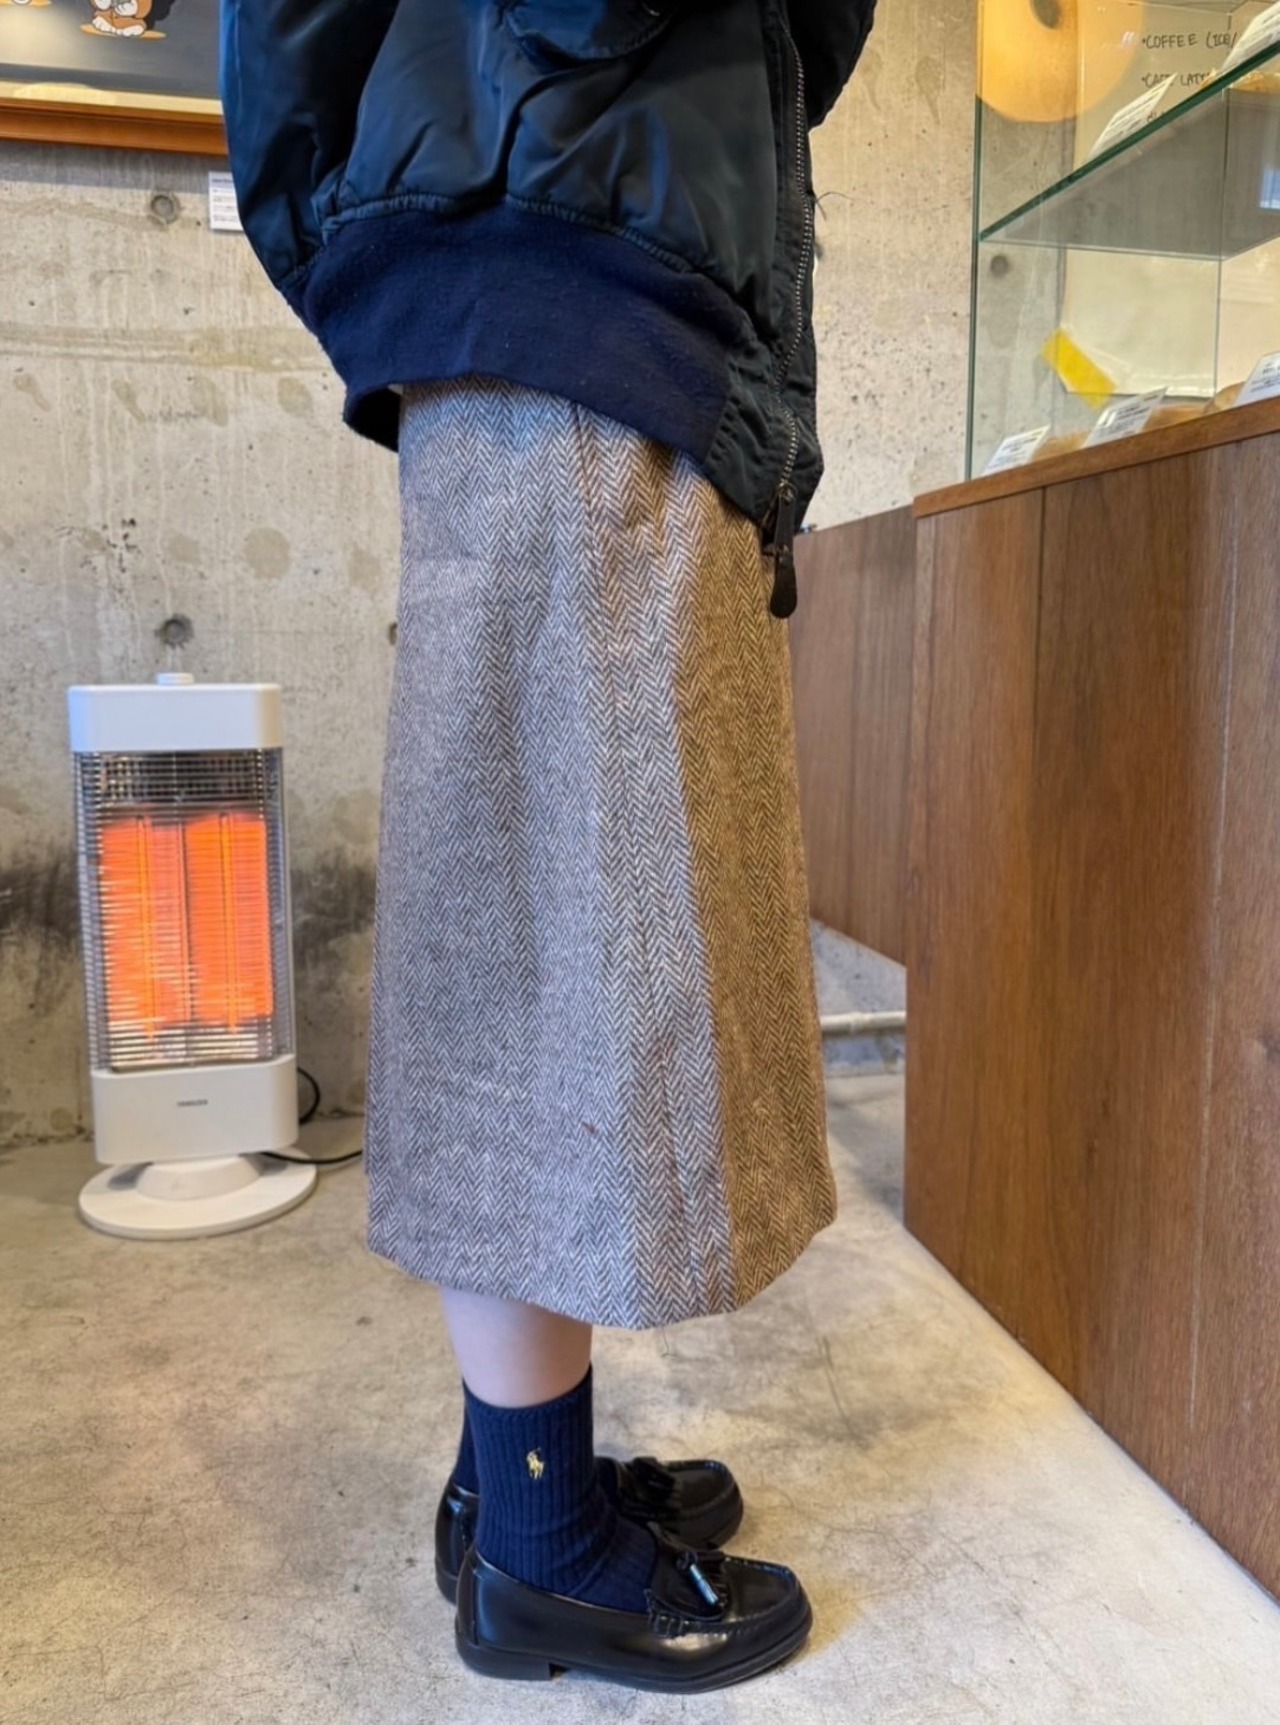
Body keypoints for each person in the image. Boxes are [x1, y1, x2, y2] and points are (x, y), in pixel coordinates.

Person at [220, 0, 877, 1692]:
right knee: (550, 960)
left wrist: (402, 239)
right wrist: (402, 236)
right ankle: (538, 1554)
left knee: (546, 924)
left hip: (576, 251)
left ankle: (516, 1471)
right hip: (571, 254)